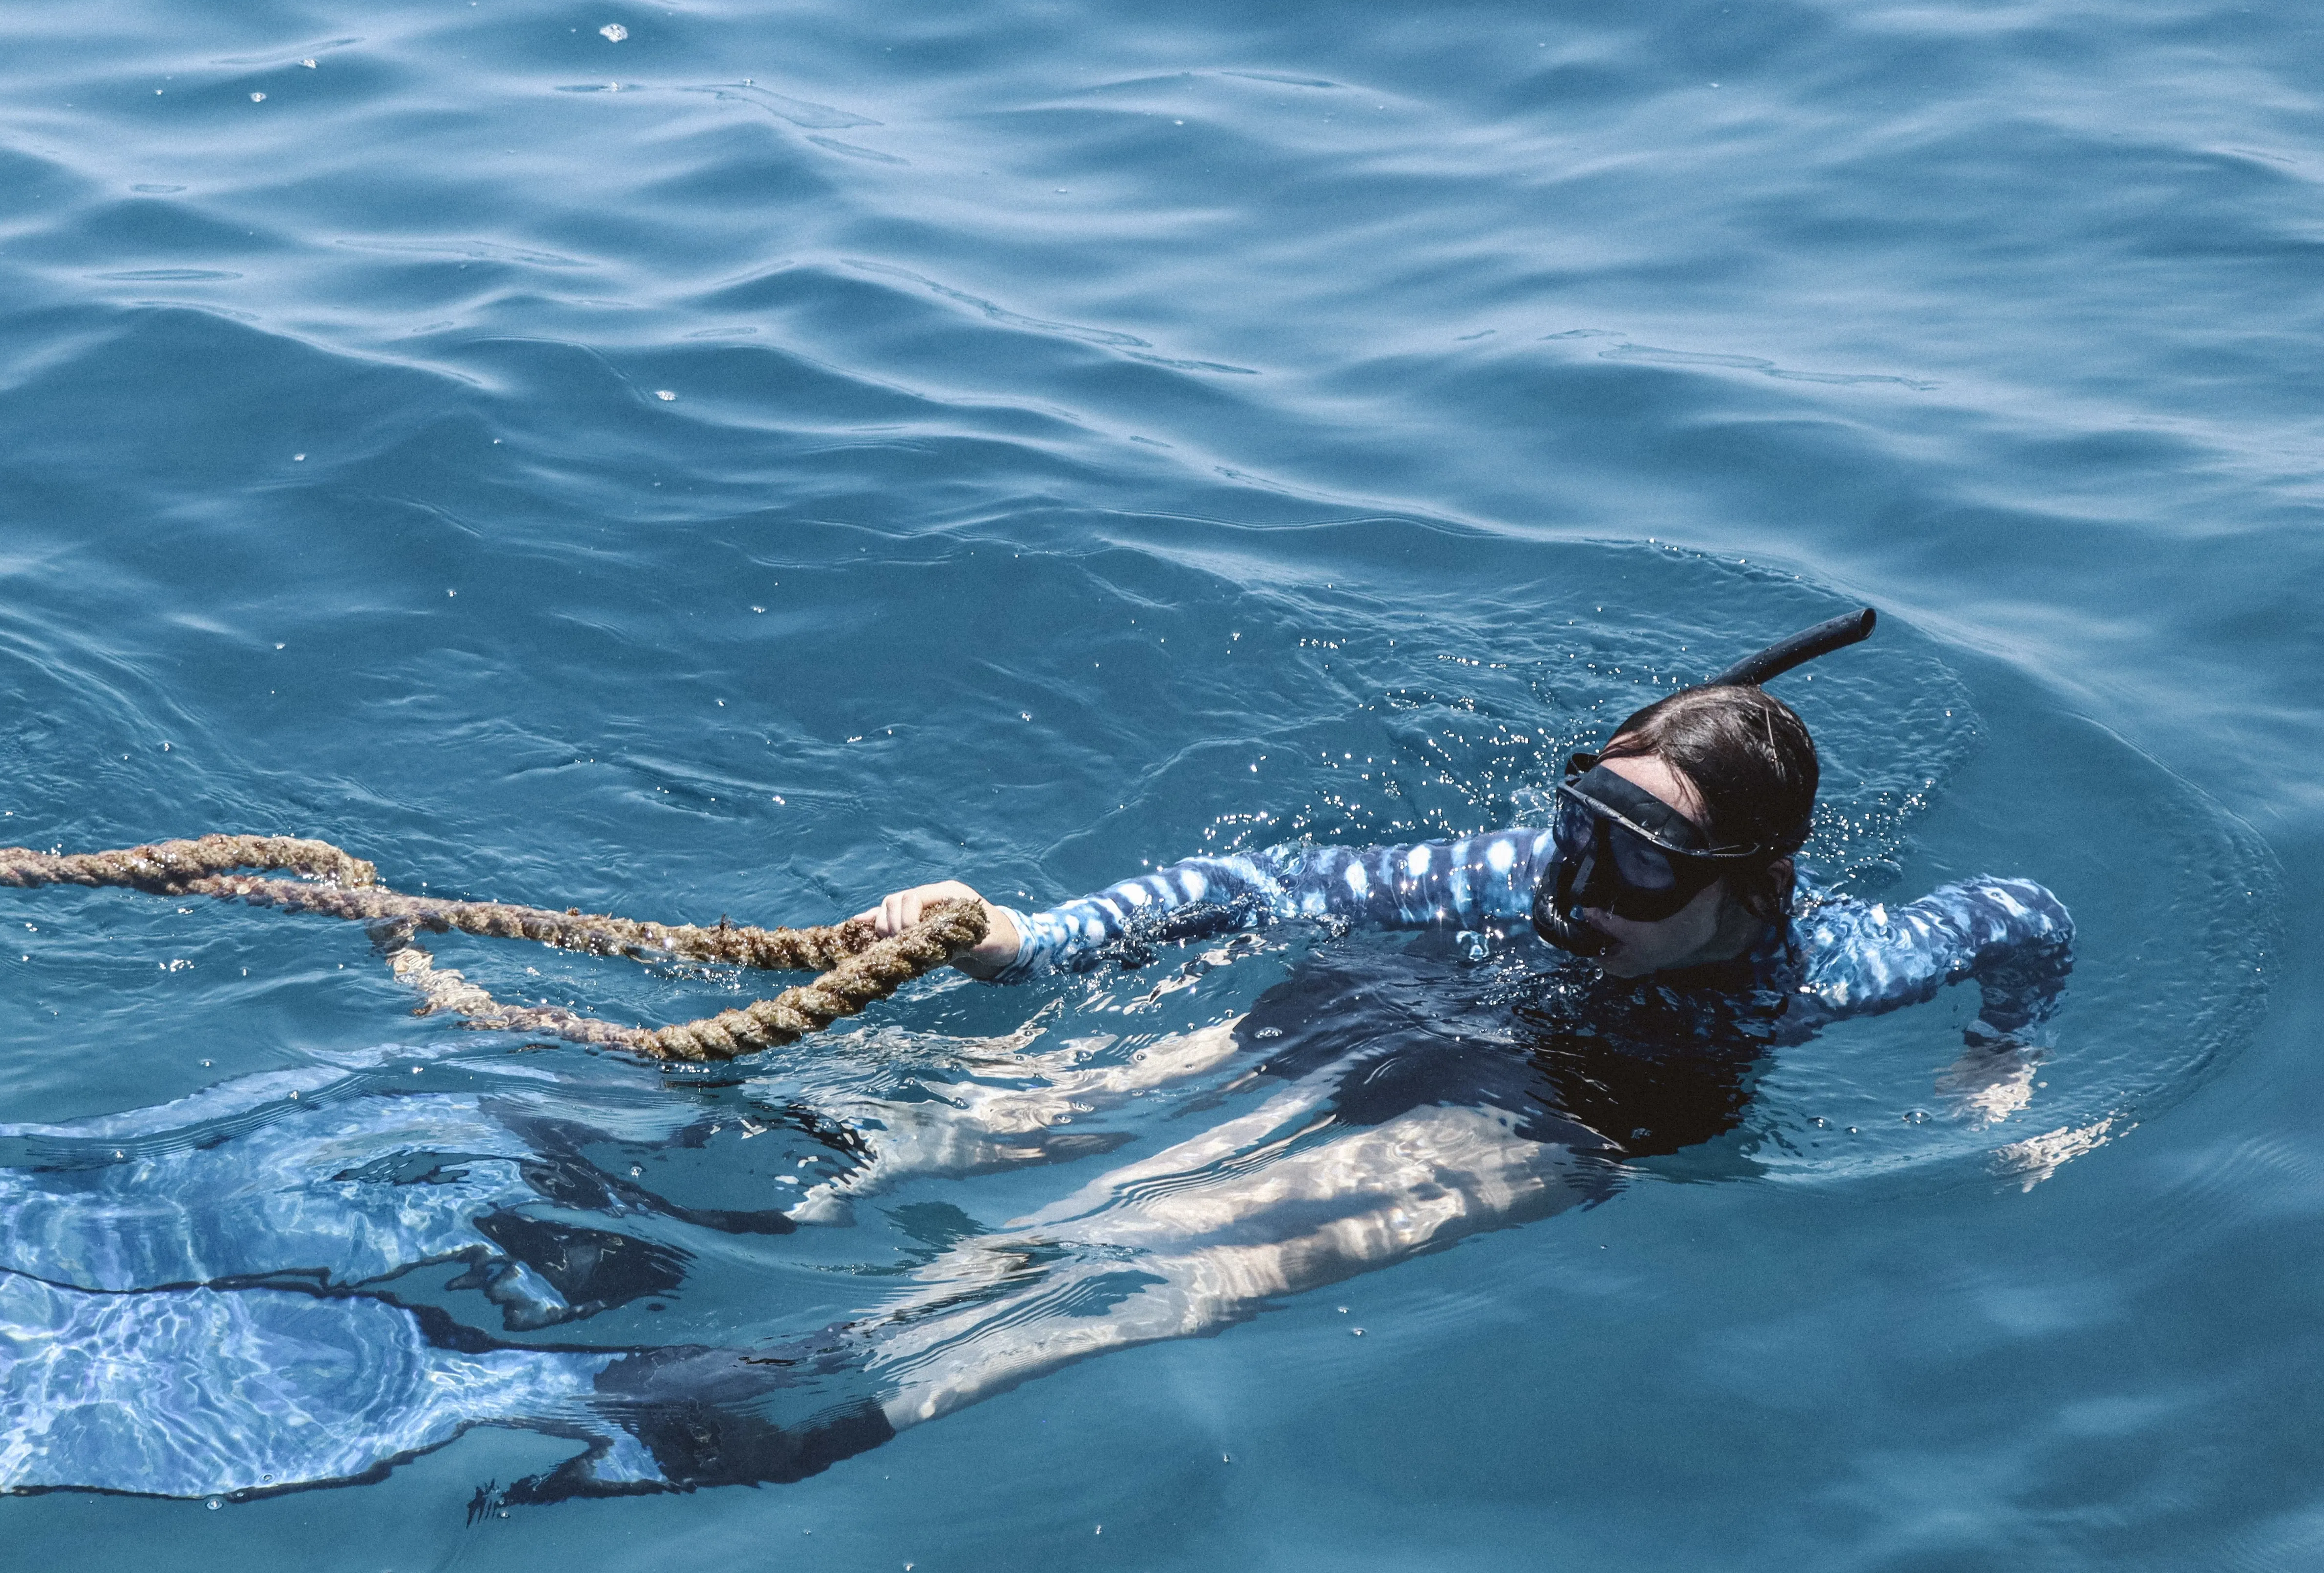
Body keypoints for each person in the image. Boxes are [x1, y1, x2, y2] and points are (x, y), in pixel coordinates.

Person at [492, 609, 2077, 1502]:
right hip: (1408, 1004)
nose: (1580, 889)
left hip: (1579, 1109)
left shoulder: (1828, 966)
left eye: (1641, 864)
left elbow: (2026, 911)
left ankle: (786, 1404)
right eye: (1574, 827)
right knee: (1035, 1105)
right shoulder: (1510, 886)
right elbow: (1253, 888)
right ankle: (669, 1211)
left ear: (1752, 883)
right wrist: (1020, 938)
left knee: (1174, 1243)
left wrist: (2000, 1064)